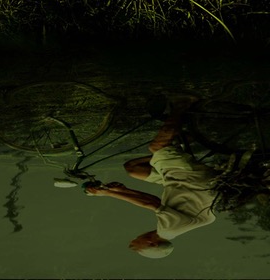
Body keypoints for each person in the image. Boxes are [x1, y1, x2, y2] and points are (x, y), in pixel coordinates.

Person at [83, 97, 219, 259]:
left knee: (133, 169)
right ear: (151, 244)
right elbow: (150, 202)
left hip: (182, 183)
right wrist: (108, 193)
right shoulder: (169, 230)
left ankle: (176, 144)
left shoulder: (173, 229)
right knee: (157, 147)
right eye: (137, 247)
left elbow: (152, 200)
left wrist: (122, 190)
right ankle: (183, 104)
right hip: (188, 177)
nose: (133, 242)